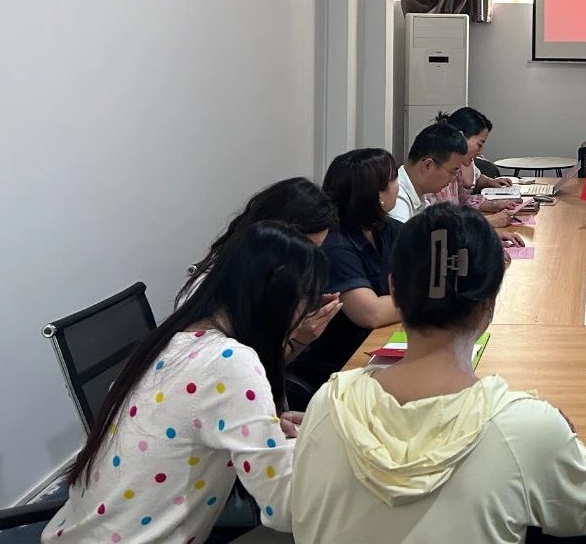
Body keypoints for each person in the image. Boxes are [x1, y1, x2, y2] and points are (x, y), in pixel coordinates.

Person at [292, 203, 586, 543]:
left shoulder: (328, 404)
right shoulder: (526, 428)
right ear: (490, 301)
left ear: (394, 289)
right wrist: (563, 439)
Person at [41, 223, 326, 543]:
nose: (304, 316)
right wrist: (319, 442)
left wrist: (268, 430)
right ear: (277, 298)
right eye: (305, 303)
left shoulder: (172, 338)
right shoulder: (231, 362)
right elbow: (286, 508)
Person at [288, 148, 404, 409]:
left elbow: (430, 246)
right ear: (376, 194)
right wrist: (432, 297)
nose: (399, 186)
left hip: (375, 352)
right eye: (394, 179)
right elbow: (370, 312)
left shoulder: (382, 228)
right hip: (338, 365)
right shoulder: (335, 242)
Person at [184, 177, 344, 360]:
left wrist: (299, 310)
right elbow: (249, 368)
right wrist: (297, 337)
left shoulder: (267, 276)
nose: (311, 259)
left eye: (318, 249)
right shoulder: (216, 287)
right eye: (307, 247)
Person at [435, 107, 527, 230]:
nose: (480, 152)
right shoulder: (436, 171)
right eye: (479, 144)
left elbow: (462, 202)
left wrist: (494, 205)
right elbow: (441, 225)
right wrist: (487, 222)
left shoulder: (452, 167)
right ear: (460, 138)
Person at [386, 123, 469, 223]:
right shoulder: (396, 201)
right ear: (427, 165)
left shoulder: (420, 194)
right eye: (453, 171)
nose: (453, 179)